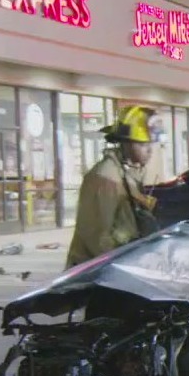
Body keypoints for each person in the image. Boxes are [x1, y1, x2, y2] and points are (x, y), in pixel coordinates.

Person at [66, 105, 161, 268]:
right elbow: (96, 235)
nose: (149, 150)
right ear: (125, 143)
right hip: (93, 275)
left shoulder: (126, 173)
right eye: (142, 144)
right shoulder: (105, 178)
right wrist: (121, 266)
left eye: (150, 144)